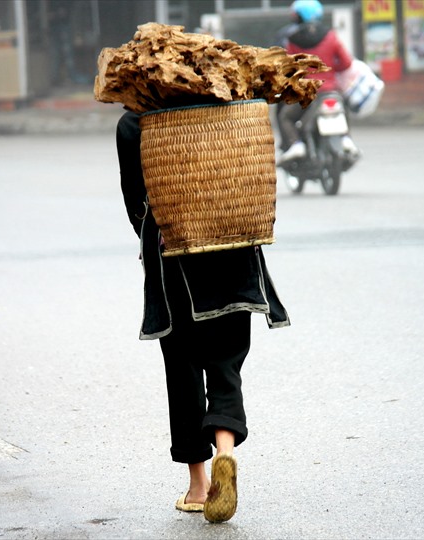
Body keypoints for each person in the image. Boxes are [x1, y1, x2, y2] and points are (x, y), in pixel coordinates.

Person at [116, 111, 290, 523]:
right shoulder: (232, 108)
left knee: (183, 365)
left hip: (175, 254)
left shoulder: (135, 122)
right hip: (233, 246)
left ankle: (198, 486)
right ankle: (225, 453)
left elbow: (136, 200)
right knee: (226, 360)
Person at [277, 0, 356, 163]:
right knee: (343, 105)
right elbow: (346, 63)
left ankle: (295, 144)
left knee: (285, 117)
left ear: (299, 16)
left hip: (306, 94)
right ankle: (346, 138)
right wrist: (332, 68)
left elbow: (289, 69)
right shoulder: (330, 36)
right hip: (330, 90)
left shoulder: (293, 39)